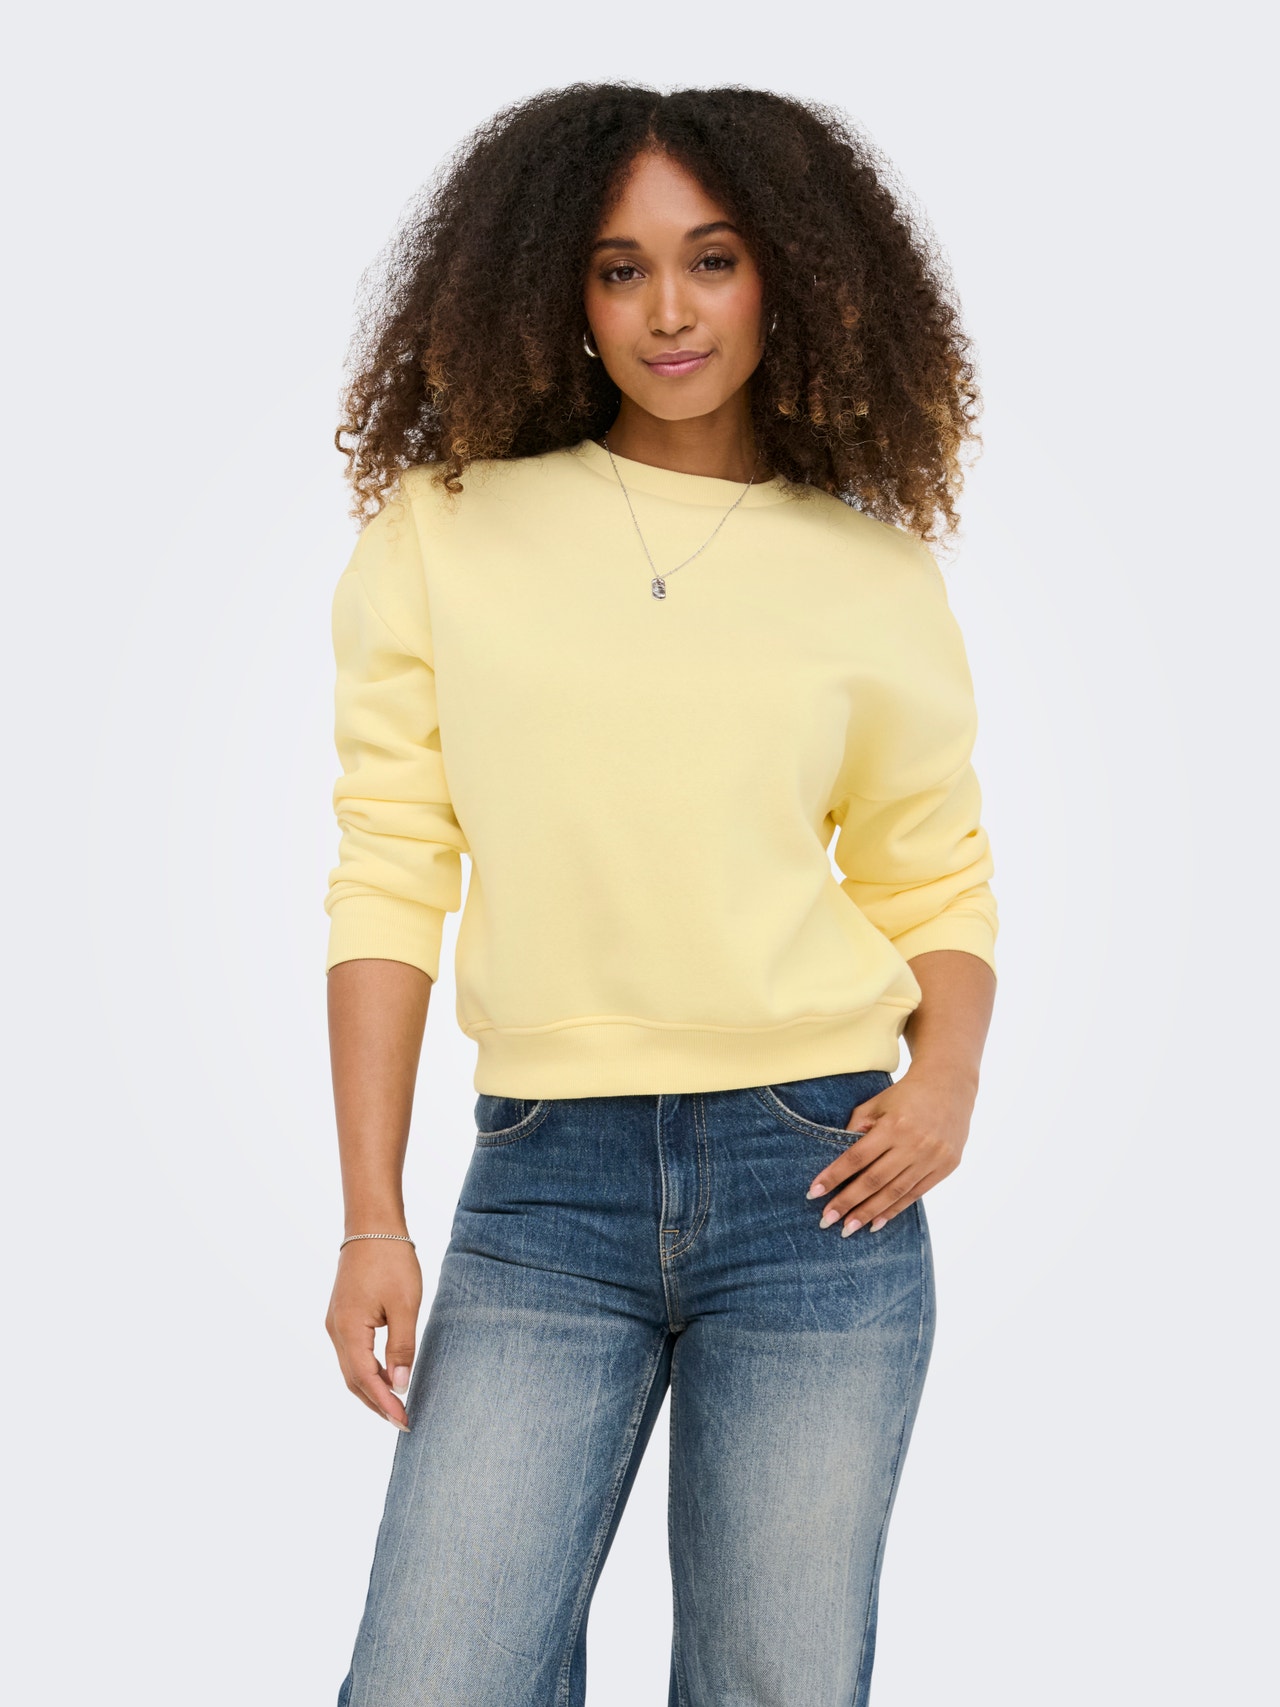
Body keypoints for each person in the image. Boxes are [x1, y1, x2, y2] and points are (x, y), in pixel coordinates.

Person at [322, 82, 999, 1707]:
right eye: (620, 269)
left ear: (791, 276)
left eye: (713, 259)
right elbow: (390, 866)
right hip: (544, 1191)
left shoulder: (871, 574)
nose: (670, 311)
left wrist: (950, 1082)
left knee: (776, 1685)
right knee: (432, 1681)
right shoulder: (447, 531)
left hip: (816, 1181)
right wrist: (370, 1216)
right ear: (557, 288)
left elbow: (932, 875)